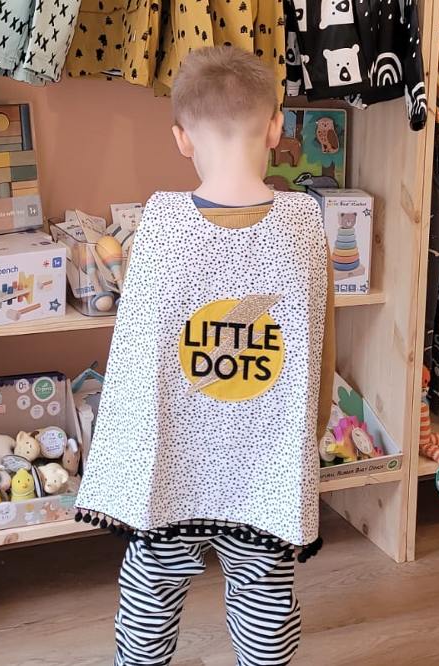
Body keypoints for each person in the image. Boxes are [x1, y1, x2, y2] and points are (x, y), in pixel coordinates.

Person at [75, 45, 335, 665]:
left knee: (149, 590)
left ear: (181, 138)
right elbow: (319, 349)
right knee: (265, 596)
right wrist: (311, 431)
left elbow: (139, 357)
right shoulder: (306, 224)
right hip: (263, 468)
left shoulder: (157, 225)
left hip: (170, 466)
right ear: (277, 127)